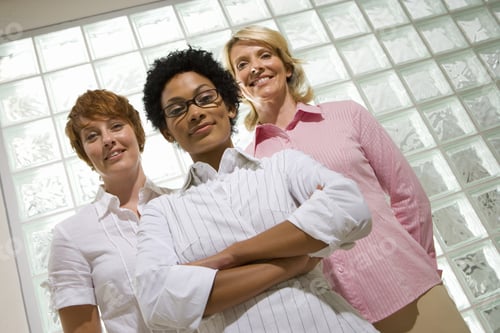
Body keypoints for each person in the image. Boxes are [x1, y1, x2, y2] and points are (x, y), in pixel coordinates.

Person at [223, 25, 470, 333]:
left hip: (411, 289)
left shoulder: (346, 115)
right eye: (242, 64)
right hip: (335, 317)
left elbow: (408, 195)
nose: (255, 66)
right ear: (236, 85)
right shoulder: (250, 163)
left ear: (286, 66)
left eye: (264, 54)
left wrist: (418, 265)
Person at [135, 47, 378, 332]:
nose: (195, 113)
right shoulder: (160, 212)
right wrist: (292, 263)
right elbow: (158, 302)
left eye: (205, 98)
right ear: (166, 131)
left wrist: (231, 256)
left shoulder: (284, 165)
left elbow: (350, 207)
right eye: (177, 110)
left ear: (230, 106)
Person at [44, 89, 175, 333]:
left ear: (136, 131)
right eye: (92, 136)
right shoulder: (71, 236)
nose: (107, 139)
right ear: (85, 153)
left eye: (116, 126)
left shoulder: (182, 202)